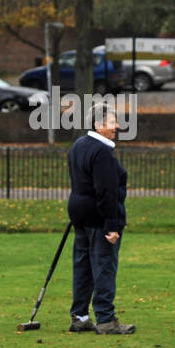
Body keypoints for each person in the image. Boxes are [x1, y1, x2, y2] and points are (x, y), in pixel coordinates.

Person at [67, 101, 134, 334]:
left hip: (80, 215)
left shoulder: (79, 145)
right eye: (112, 122)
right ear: (98, 124)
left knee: (83, 266)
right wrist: (112, 225)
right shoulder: (102, 151)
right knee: (104, 265)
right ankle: (106, 319)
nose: (116, 126)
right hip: (98, 218)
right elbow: (106, 191)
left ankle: (80, 316)